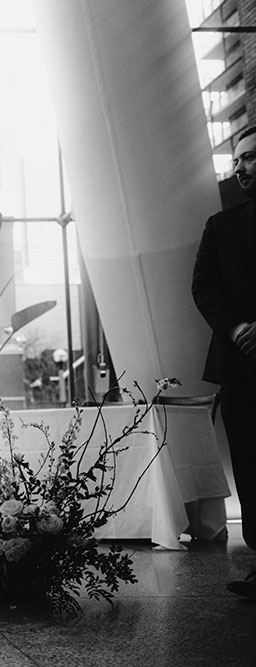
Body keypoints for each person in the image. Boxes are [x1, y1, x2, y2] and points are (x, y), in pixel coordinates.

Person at [192, 125, 256, 599]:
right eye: (237, 160)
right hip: (243, 366)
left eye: (250, 157)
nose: (241, 168)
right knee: (252, 466)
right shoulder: (222, 225)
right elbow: (204, 288)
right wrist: (237, 330)